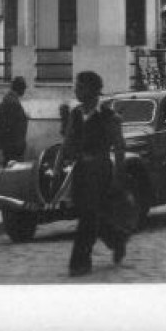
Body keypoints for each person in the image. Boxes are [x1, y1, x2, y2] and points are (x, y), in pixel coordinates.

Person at [61, 70, 132, 276]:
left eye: (80, 86)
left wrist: (118, 176)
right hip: (82, 171)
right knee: (93, 216)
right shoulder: (75, 114)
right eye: (76, 85)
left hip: (100, 170)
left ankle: (80, 262)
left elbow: (119, 147)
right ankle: (118, 239)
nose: (76, 90)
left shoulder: (108, 116)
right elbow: (68, 143)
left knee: (88, 216)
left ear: (93, 91)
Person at [0, 76, 31, 165]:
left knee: (10, 166)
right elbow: (11, 124)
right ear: (19, 88)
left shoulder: (9, 99)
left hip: (10, 142)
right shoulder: (12, 101)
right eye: (23, 88)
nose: (24, 91)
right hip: (13, 144)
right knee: (13, 168)